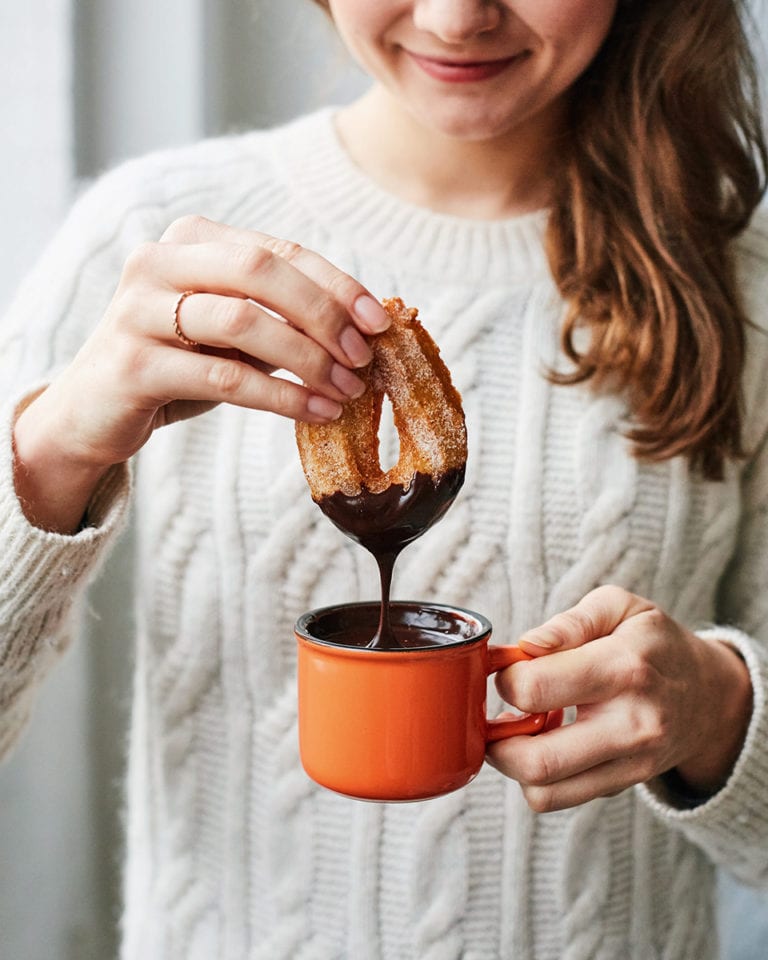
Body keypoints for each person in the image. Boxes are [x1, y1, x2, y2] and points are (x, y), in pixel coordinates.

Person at [2, 0, 767, 957]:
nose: (456, 17)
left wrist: (720, 713)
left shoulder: (745, 281)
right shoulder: (154, 243)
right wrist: (55, 450)